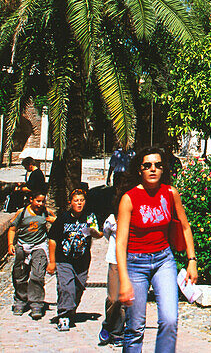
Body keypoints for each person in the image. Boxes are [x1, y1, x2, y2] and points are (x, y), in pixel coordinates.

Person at [116, 145, 198, 352]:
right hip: (135, 263)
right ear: (140, 170)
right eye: (148, 165)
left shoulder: (170, 193)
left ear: (163, 169)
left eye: (158, 165)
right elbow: (121, 243)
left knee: (170, 320)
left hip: (163, 260)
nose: (153, 169)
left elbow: (185, 226)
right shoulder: (129, 198)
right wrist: (124, 280)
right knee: (135, 327)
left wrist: (192, 261)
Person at [48, 186, 103, 331]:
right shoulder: (63, 218)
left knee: (78, 286)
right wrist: (52, 261)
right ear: (70, 203)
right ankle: (64, 316)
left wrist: (94, 232)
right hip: (64, 258)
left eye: (82, 200)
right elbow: (53, 239)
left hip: (82, 260)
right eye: (76, 201)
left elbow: (99, 234)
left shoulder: (89, 217)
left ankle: (70, 310)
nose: (79, 203)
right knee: (66, 286)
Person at [8, 190, 53, 319]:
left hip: (39, 246)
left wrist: (54, 220)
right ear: (31, 200)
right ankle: (20, 300)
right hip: (23, 245)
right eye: (38, 201)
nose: (40, 204)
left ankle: (36, 304)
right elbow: (12, 228)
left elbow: (57, 224)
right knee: (20, 275)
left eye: (43, 201)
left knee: (37, 275)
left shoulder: (46, 212)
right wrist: (11, 244)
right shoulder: (22, 213)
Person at [99, 175, 129, 346]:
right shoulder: (111, 220)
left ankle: (118, 331)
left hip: (132, 261)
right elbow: (106, 235)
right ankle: (108, 325)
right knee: (113, 298)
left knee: (124, 300)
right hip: (115, 261)